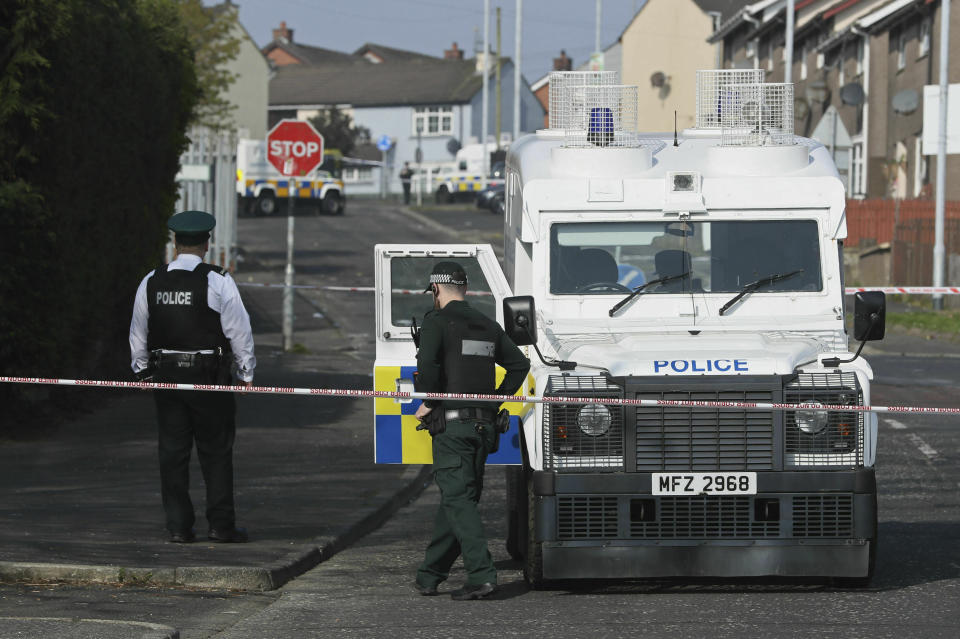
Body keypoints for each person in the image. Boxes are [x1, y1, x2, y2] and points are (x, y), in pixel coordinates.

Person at [129, 210, 256, 544]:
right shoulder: (218, 280)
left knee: (172, 453)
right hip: (208, 378)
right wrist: (245, 373)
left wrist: (142, 371)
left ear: (174, 242)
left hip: (167, 377)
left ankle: (178, 527)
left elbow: (137, 333)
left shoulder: (151, 281)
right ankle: (221, 526)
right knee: (215, 452)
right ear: (207, 243)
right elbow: (239, 332)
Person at [413, 262, 530, 600]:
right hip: (483, 428)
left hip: (453, 427)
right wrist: (495, 400)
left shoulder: (436, 321)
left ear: (435, 289)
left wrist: (429, 403)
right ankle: (429, 575)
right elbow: (519, 365)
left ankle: (481, 575)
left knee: (457, 499)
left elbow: (430, 370)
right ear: (464, 288)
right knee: (459, 499)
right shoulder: (487, 324)